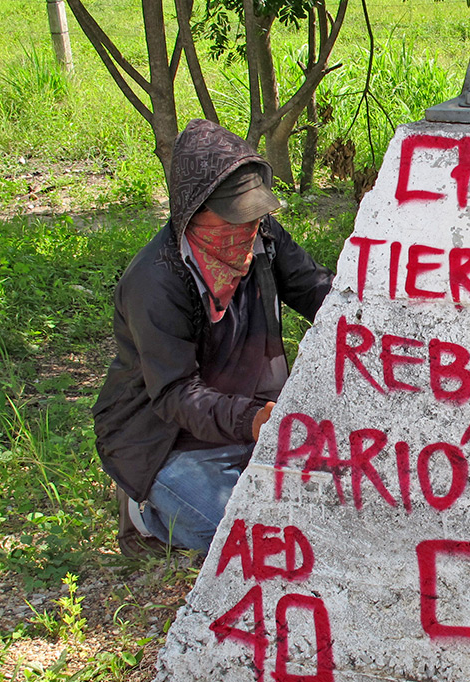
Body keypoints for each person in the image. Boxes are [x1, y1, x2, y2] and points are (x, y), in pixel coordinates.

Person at [93, 119, 334, 556]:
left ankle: (232, 476)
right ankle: (144, 511)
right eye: (232, 219)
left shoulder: (262, 236)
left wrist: (368, 319)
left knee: (325, 508)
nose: (245, 232)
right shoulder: (155, 281)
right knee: (239, 536)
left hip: (244, 416)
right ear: (193, 212)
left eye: (252, 218)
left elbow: (315, 289)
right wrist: (252, 419)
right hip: (166, 438)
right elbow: (175, 394)